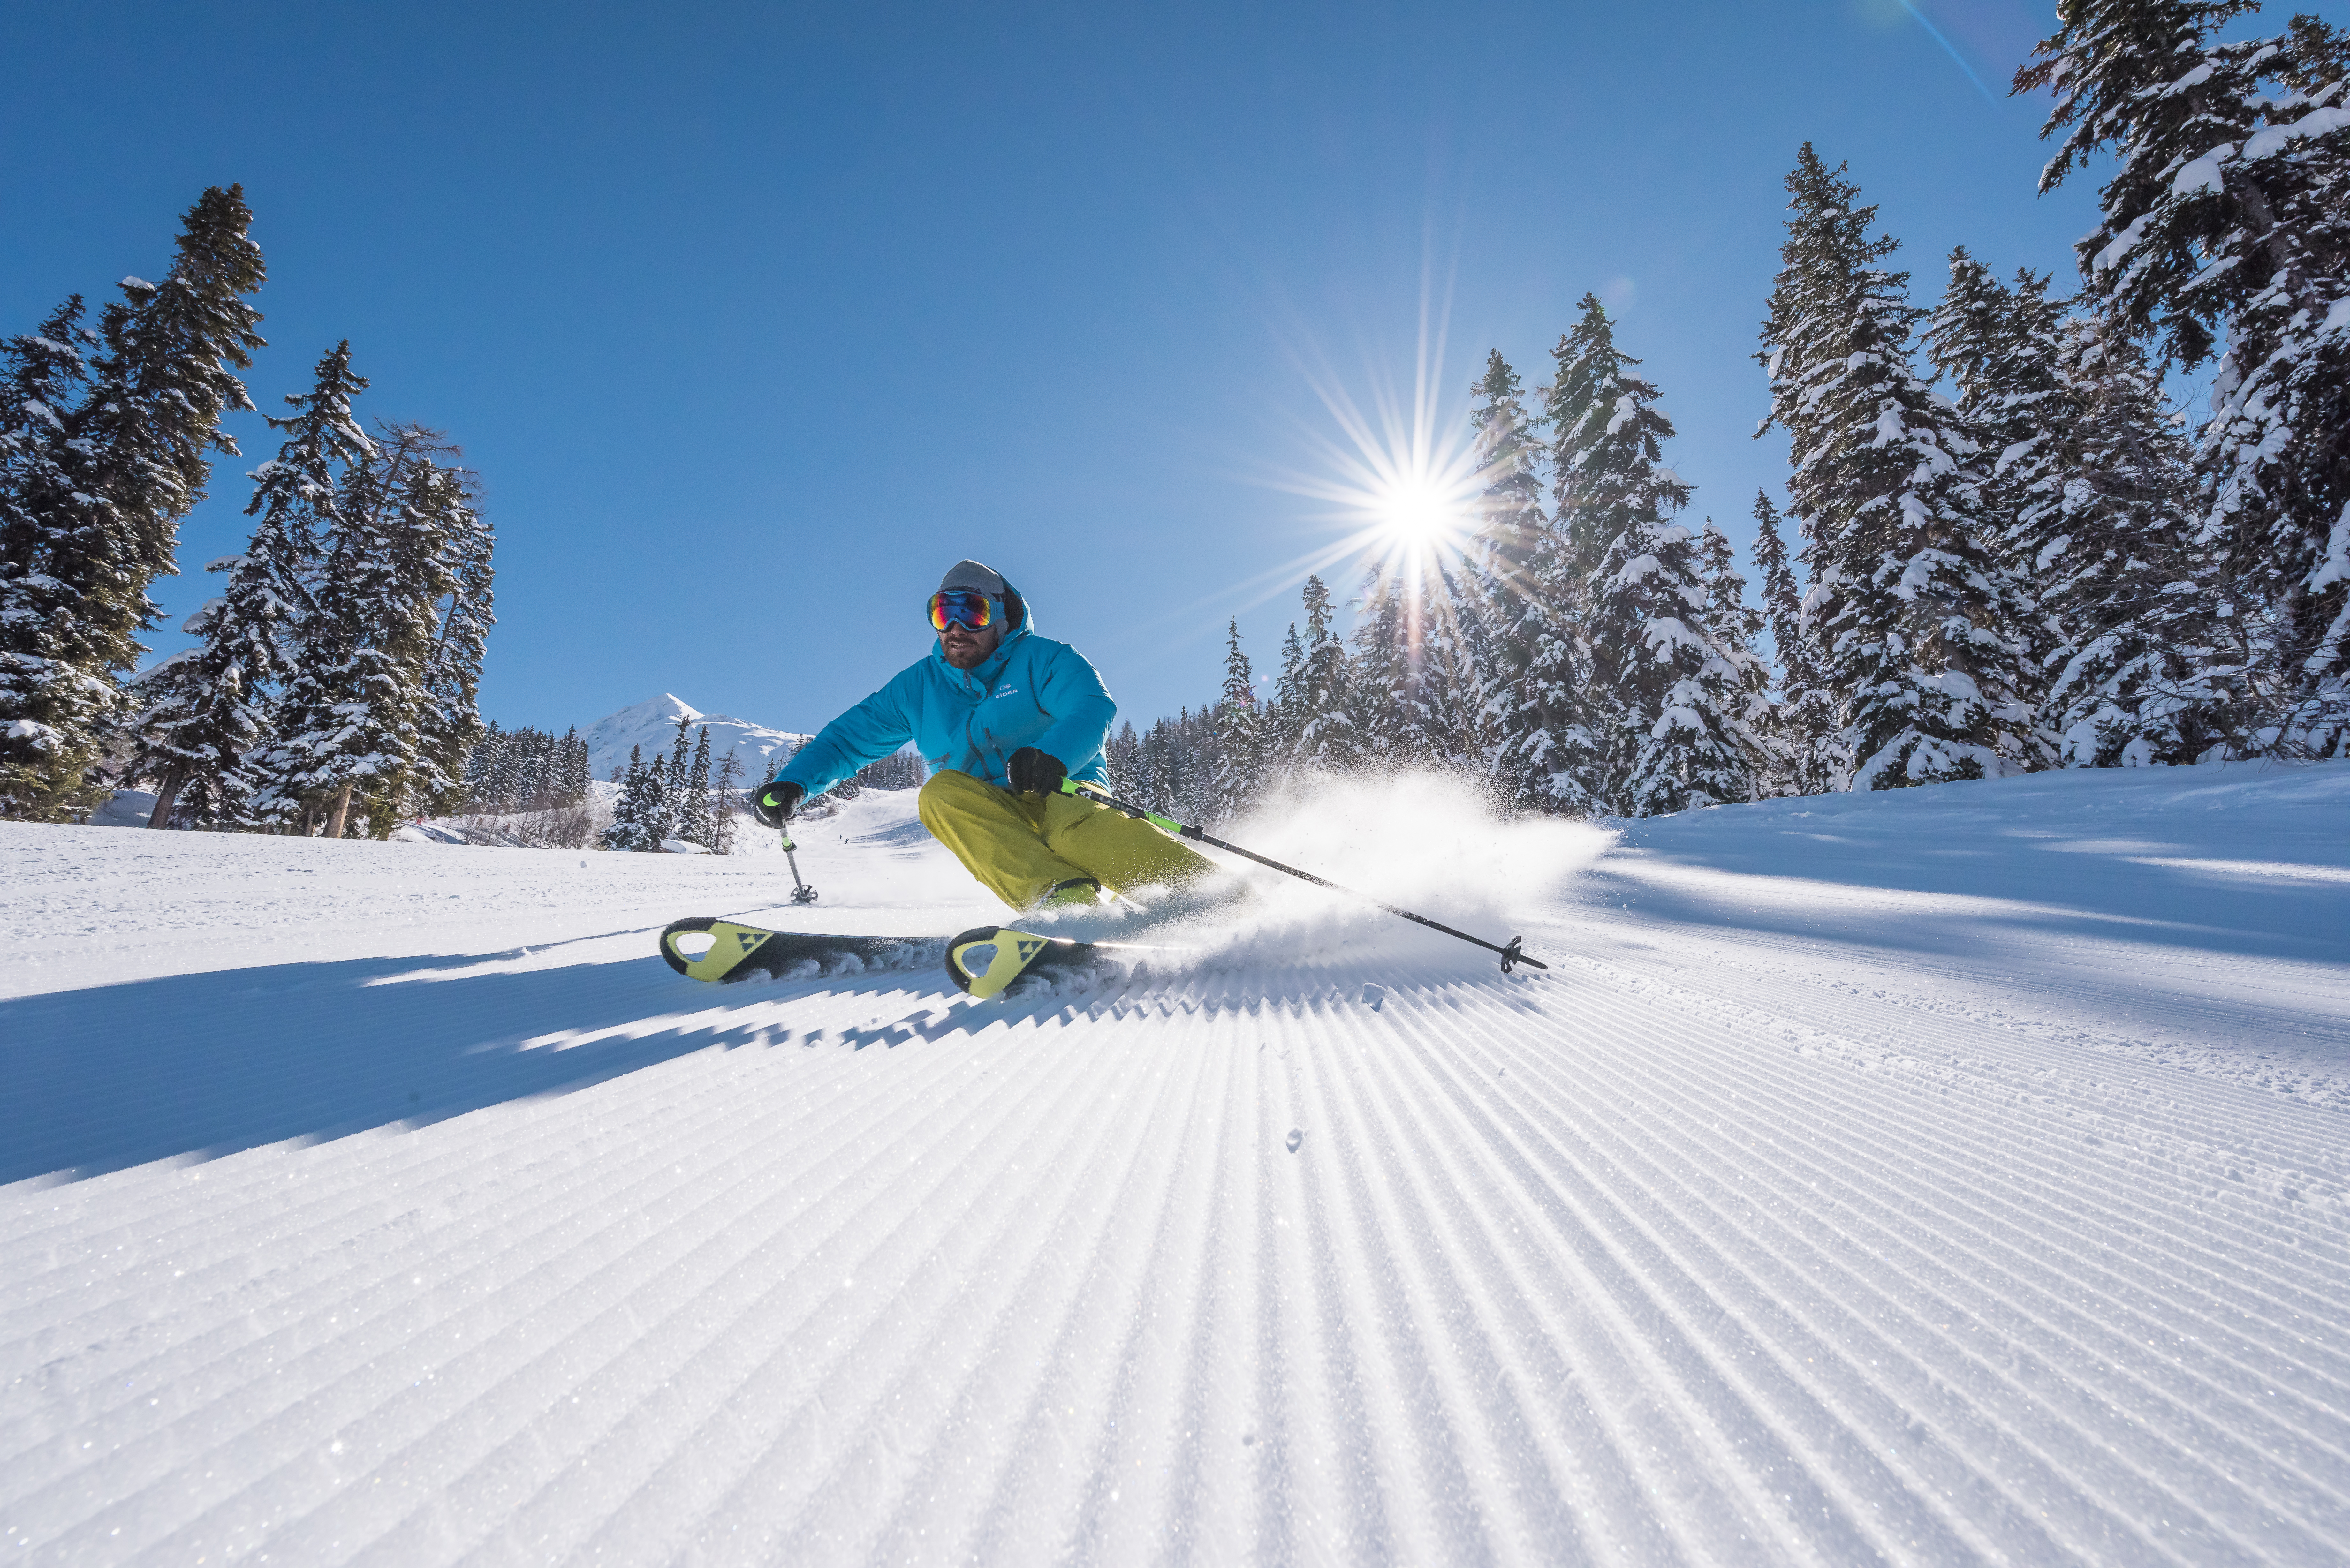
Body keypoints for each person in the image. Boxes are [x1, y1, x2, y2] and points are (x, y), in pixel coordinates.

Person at [751, 559, 1215, 910]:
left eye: (971, 613)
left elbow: (1091, 707)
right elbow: (848, 740)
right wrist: (796, 782)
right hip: (990, 808)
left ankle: (1210, 897)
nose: (955, 629)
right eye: (942, 615)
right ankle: (1063, 901)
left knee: (1074, 831)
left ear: (1000, 617)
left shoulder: (1044, 659)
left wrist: (1052, 756)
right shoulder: (919, 687)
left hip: (1062, 784)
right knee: (939, 795)